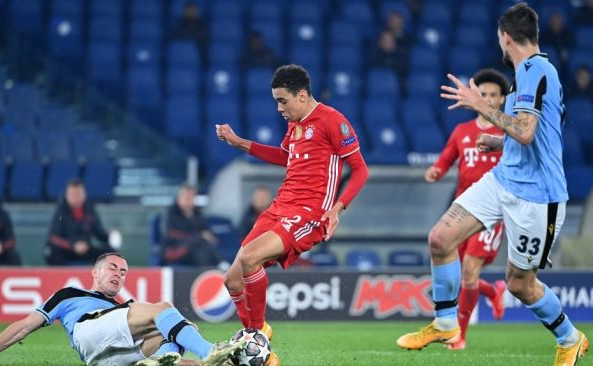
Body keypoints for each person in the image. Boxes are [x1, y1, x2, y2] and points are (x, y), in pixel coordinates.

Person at [397, 4, 589, 365]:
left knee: (519, 283)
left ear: (505, 37)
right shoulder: (529, 74)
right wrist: (503, 143)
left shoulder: (534, 71)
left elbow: (527, 132)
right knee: (440, 238)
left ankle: (570, 337)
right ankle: (445, 321)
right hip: (502, 178)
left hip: (536, 196)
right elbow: (543, 133)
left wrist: (479, 105)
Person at [216, 64, 369, 366]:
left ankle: (256, 340)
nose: (279, 108)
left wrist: (338, 208)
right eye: (276, 101)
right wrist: (240, 143)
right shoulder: (295, 124)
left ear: (301, 95)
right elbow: (286, 158)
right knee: (232, 280)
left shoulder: (333, 121)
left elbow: (361, 170)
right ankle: (257, 339)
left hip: (309, 214)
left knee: (249, 259)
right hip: (279, 207)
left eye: (282, 100)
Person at [0, 252, 245, 366]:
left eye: (124, 271)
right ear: (95, 272)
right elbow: (25, 326)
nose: (119, 274)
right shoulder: (69, 294)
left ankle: (221, 362)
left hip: (108, 360)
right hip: (90, 332)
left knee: (177, 340)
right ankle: (208, 351)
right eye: (113, 268)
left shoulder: (120, 308)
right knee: (163, 310)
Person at [424, 68, 510, 350]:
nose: (487, 98)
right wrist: (436, 171)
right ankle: (493, 290)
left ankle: (459, 335)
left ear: (501, 100)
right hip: (463, 209)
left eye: (493, 95)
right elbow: (447, 159)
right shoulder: (462, 131)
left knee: (470, 270)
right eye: (482, 94)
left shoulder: (508, 132)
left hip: (493, 213)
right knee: (459, 274)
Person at [45, 179, 122, 266]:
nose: (76, 198)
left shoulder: (89, 209)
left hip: (86, 250)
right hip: (66, 250)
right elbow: (54, 237)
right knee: (52, 251)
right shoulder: (60, 210)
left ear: (84, 194)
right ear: (67, 195)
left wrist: (110, 236)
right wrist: (73, 246)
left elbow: (99, 233)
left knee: (110, 253)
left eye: (79, 194)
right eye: (73, 195)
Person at [163, 184, 220, 267]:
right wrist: (198, 238)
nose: (188, 201)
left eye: (191, 198)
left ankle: (215, 269)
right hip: (176, 249)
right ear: (179, 198)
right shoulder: (170, 214)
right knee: (202, 248)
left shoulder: (197, 214)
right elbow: (170, 236)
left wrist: (201, 237)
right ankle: (218, 265)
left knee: (203, 249)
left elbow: (208, 234)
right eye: (186, 197)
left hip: (195, 250)